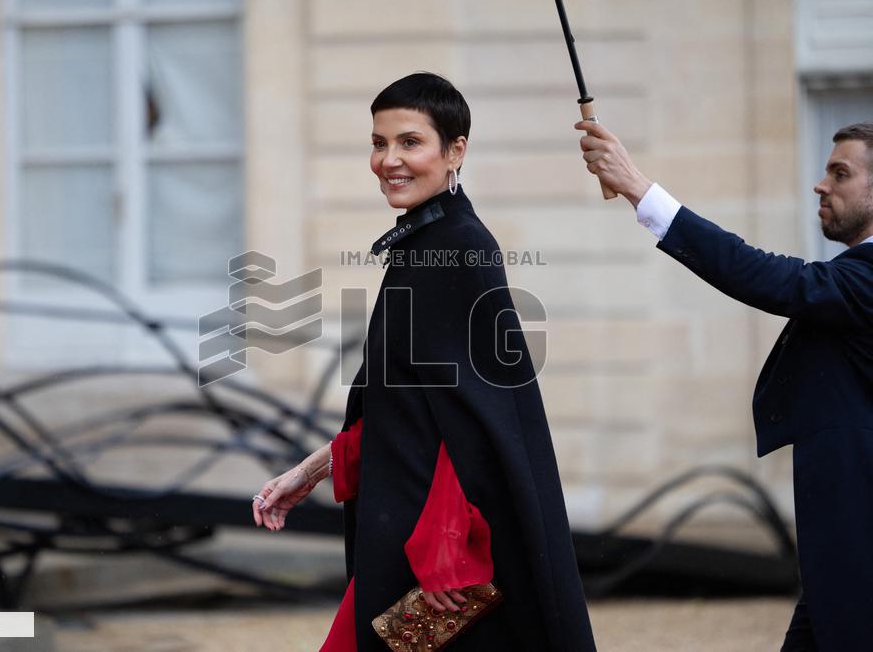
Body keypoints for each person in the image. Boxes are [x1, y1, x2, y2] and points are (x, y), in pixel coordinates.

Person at [252, 73, 597, 651]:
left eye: (410, 142)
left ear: (456, 149)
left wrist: (445, 547)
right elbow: (404, 407)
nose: (389, 160)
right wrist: (308, 472)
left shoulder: (460, 248)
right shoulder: (421, 243)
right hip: (407, 533)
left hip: (439, 560)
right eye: (379, 143)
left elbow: (474, 423)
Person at [577, 119, 873, 651]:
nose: (820, 184)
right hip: (842, 553)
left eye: (840, 173)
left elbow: (758, 273)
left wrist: (639, 189)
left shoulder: (866, 278)